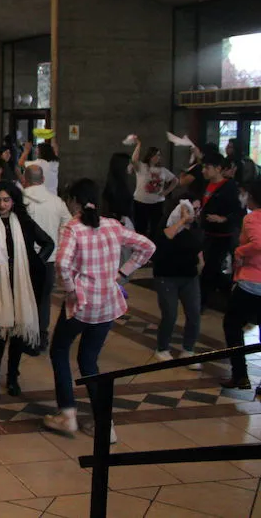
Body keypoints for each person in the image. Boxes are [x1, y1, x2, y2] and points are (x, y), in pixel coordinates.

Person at [44, 179, 155, 441]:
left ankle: (67, 414)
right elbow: (148, 246)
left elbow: (62, 263)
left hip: (82, 304)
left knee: (59, 350)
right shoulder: (112, 225)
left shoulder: (73, 228)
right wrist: (123, 273)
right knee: (89, 361)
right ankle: (104, 425)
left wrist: (71, 289)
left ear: (74, 201)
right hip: (106, 304)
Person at [0, 182, 54, 401]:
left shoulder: (24, 223)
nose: (2, 204)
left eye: (6, 200)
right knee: (1, 334)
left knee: (17, 334)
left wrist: (34, 263)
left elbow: (48, 243)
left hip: (21, 283)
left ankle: (13, 377)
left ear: (14, 201)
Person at [22, 165, 72, 352]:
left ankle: (26, 337)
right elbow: (68, 226)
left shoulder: (19, 200)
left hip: (25, 258)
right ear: (43, 180)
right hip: (48, 259)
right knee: (43, 299)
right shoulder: (57, 202)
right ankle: (42, 337)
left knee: (24, 298)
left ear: (25, 180)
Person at [153, 196, 204, 365]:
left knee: (194, 313)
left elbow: (198, 246)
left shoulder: (195, 227)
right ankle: (162, 348)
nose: (194, 213)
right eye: (191, 209)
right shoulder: (167, 226)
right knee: (170, 314)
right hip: (167, 276)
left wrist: (200, 261)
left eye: (197, 209)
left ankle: (188, 349)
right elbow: (165, 238)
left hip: (189, 276)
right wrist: (181, 220)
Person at [222, 180, 261, 393]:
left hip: (251, 283)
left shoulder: (253, 217)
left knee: (232, 325)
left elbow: (258, 243)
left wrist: (239, 251)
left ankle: (240, 375)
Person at [200, 151, 243, 309]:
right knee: (211, 267)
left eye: (207, 167)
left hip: (222, 234)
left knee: (210, 267)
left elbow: (238, 211)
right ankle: (226, 291)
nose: (204, 171)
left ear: (218, 168)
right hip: (207, 231)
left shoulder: (229, 187)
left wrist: (223, 219)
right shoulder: (206, 185)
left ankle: (202, 301)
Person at [130, 137, 177, 237]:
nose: (157, 157)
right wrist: (138, 145)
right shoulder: (142, 167)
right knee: (140, 228)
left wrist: (166, 192)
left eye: (159, 155)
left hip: (157, 203)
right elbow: (134, 160)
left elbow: (175, 180)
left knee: (156, 229)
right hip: (141, 202)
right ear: (149, 156)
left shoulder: (163, 170)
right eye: (155, 155)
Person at [103, 152, 135, 225]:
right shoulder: (118, 186)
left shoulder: (114, 182)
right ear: (122, 165)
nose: (132, 166)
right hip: (120, 223)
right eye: (129, 163)